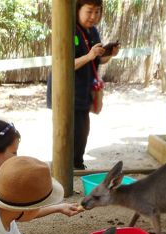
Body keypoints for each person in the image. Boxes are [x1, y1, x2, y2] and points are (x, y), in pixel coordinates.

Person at [46, 0, 119, 170]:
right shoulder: (69, 30)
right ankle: (66, 169)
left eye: (97, 12)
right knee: (66, 134)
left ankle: (77, 166)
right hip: (65, 93)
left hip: (83, 91)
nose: (93, 16)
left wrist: (110, 54)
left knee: (81, 134)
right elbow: (63, 65)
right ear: (78, 10)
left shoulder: (93, 31)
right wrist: (89, 55)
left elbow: (96, 61)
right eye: (89, 11)